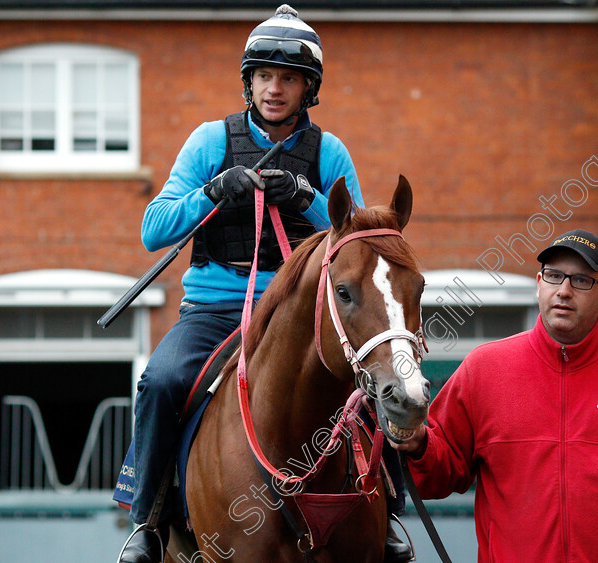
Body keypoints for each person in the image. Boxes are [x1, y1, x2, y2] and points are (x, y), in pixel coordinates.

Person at [118, 5, 412, 562]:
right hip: (214, 312)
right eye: (264, 77)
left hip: (297, 314)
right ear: (248, 83)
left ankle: (390, 515)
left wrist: (308, 199)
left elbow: (359, 243)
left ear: (308, 88)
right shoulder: (209, 141)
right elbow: (152, 229)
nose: (274, 89)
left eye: (289, 79)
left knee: (369, 378)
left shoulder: (329, 152)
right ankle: (147, 525)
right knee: (160, 379)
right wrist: (214, 191)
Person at [392, 229, 598, 562]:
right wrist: (419, 442)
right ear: (538, 283)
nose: (563, 291)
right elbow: (440, 474)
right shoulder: (483, 369)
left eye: (580, 281)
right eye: (554, 276)